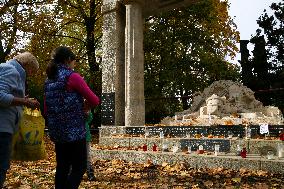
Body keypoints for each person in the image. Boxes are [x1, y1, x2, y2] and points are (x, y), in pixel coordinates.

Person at [44, 46, 100, 189]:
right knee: (80, 166)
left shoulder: (49, 80)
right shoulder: (72, 76)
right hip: (74, 131)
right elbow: (94, 100)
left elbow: (46, 108)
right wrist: (85, 107)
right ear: (68, 60)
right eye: (74, 60)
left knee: (62, 167)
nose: (75, 64)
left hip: (57, 132)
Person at [0, 52, 40, 188]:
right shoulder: (11, 70)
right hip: (2, 128)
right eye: (31, 72)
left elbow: (8, 93)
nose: (30, 75)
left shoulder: (8, 68)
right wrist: (25, 101)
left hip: (5, 126)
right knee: (1, 165)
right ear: (27, 65)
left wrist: (23, 99)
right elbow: (1, 96)